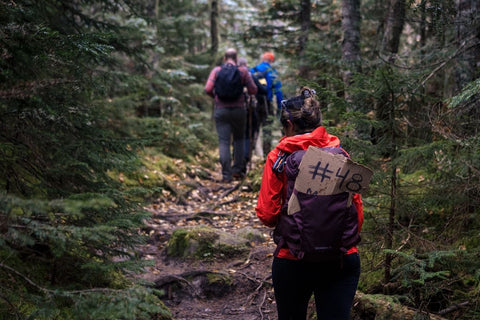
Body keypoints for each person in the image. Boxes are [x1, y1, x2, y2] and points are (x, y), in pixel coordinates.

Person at [255, 87, 364, 320]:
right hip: (342, 258)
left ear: (289, 125)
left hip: (293, 259)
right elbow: (357, 213)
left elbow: (267, 214)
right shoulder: (339, 153)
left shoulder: (279, 158)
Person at [205, 49, 257, 182]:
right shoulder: (243, 71)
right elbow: (253, 89)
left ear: (224, 58)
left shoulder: (216, 71)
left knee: (224, 141)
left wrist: (216, 97)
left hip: (221, 110)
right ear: (236, 58)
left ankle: (226, 175)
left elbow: (208, 89)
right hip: (239, 110)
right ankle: (237, 171)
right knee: (239, 140)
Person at [250, 52, 283, 156]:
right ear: (271, 61)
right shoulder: (273, 72)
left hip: (253, 104)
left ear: (262, 59)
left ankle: (248, 156)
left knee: (253, 129)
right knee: (267, 130)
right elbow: (278, 92)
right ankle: (266, 157)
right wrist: (279, 108)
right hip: (266, 105)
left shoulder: (253, 70)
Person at [238, 57, 259, 174]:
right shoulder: (250, 75)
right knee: (248, 136)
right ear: (246, 64)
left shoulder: (234, 75)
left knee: (237, 137)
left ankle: (237, 163)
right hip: (249, 110)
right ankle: (245, 159)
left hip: (236, 109)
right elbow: (257, 90)